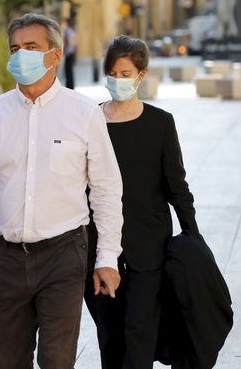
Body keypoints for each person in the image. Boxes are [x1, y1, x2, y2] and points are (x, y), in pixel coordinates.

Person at [0, 13, 124, 369]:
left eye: (31, 47)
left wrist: (107, 257)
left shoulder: (83, 114)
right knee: (10, 361)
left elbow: (106, 189)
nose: (20, 56)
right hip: (7, 259)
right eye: (15, 48)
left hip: (64, 255)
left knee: (57, 359)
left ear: (55, 55)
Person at [83, 35, 200, 369]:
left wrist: (193, 236)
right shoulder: (90, 121)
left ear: (141, 74)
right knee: (109, 334)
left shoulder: (160, 123)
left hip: (149, 247)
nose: (118, 80)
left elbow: (177, 185)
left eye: (125, 73)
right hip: (97, 247)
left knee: (140, 332)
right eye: (112, 73)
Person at [63, 17, 77, 89]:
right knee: (70, 71)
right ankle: (71, 86)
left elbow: (67, 41)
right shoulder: (72, 31)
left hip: (68, 53)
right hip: (72, 52)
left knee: (68, 71)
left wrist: (64, 48)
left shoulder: (67, 31)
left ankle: (69, 86)